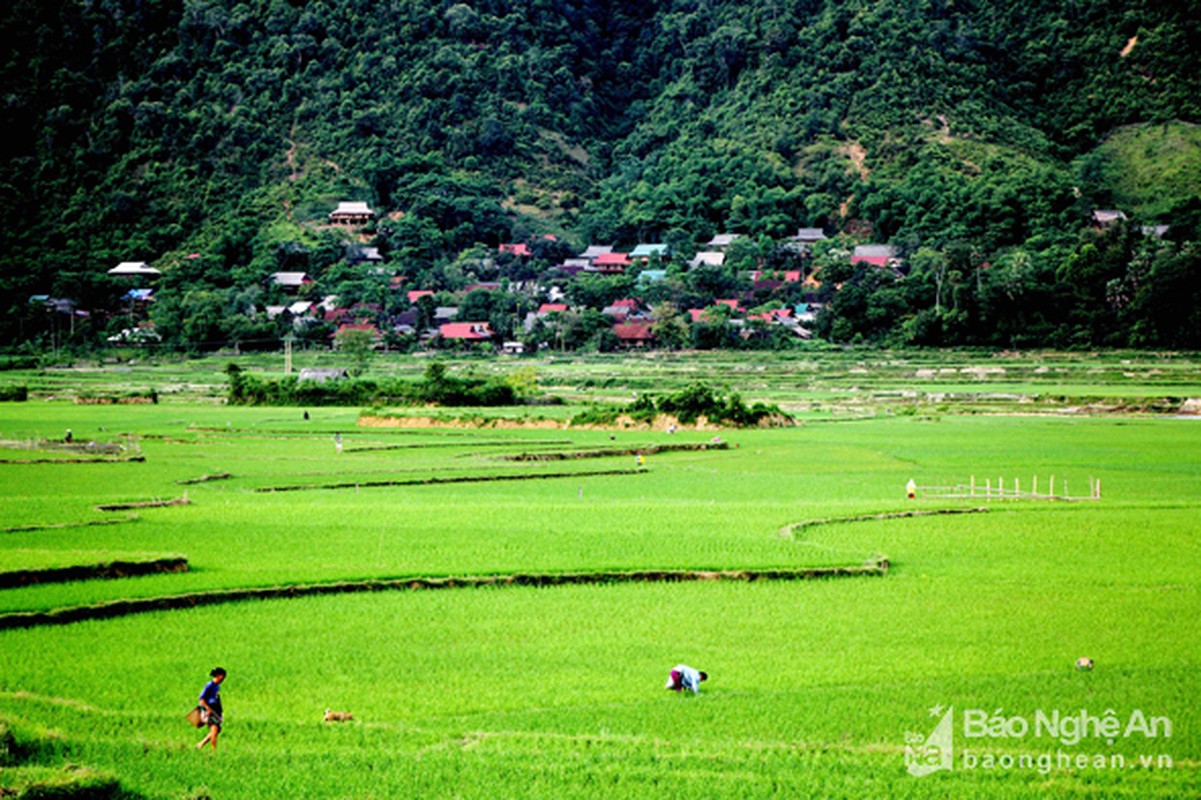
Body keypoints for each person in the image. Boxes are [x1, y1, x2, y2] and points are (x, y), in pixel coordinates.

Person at [196, 667, 226, 750]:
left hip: (214, 710)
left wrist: (220, 712)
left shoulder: (217, 686)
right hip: (208, 709)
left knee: (218, 729)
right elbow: (201, 698)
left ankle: (200, 744)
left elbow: (217, 698)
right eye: (223, 676)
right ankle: (213, 752)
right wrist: (207, 708)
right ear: (218, 676)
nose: (223, 679)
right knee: (215, 729)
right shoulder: (209, 685)